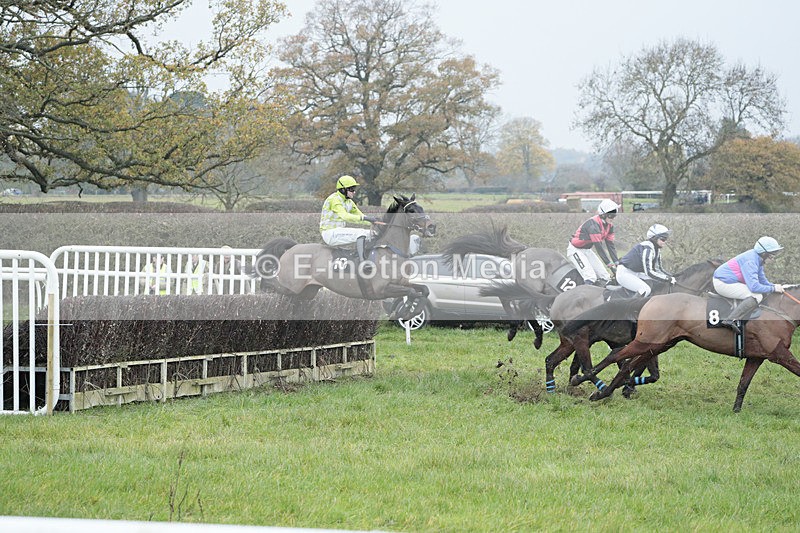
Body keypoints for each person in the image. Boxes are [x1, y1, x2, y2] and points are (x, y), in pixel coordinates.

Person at [713, 236, 785, 333]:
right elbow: (754, 287)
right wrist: (773, 288)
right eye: (772, 255)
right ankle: (730, 320)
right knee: (757, 296)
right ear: (764, 253)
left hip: (729, 281)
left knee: (761, 292)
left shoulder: (758, 259)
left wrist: (774, 286)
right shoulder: (751, 261)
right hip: (723, 283)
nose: (773, 258)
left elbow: (763, 280)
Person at [319, 175, 379, 260]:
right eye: (351, 189)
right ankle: (363, 262)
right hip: (329, 233)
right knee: (361, 234)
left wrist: (375, 221)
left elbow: (360, 217)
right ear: (343, 189)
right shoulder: (334, 199)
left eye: (354, 189)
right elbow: (345, 216)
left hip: (338, 232)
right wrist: (366, 219)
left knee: (372, 233)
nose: (354, 192)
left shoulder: (349, 202)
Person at [567, 199, 620, 285]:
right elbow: (599, 248)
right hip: (575, 250)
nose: (613, 218)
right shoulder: (593, 226)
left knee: (605, 276)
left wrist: (617, 264)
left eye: (614, 216)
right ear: (603, 215)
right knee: (590, 277)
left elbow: (610, 246)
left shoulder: (610, 226)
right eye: (611, 216)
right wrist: (610, 265)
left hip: (587, 250)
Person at [615, 224, 676, 297]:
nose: (665, 242)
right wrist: (667, 278)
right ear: (654, 238)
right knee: (645, 289)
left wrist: (672, 276)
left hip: (635, 272)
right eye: (663, 239)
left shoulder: (656, 250)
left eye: (666, 239)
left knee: (658, 283)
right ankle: (630, 307)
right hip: (624, 273)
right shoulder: (648, 249)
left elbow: (658, 269)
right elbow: (649, 272)